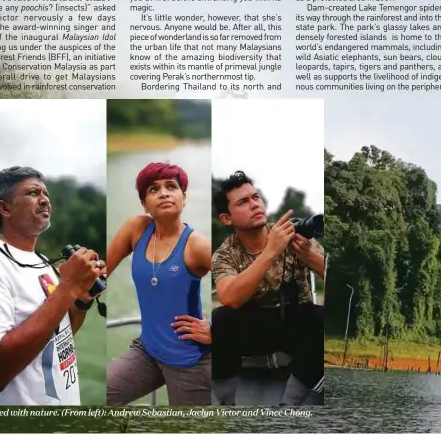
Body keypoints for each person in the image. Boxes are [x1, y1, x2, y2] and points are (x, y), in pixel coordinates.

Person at [0, 166, 105, 406]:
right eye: (33, 193)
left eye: (46, 194)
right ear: (5, 207)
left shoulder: (42, 262)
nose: (44, 200)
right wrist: (67, 286)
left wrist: (80, 300)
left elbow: (61, 333)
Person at [211, 170, 325, 407]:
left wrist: (309, 256)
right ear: (227, 218)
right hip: (252, 329)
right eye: (243, 202)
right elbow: (229, 298)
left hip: (294, 325)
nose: (254, 205)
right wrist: (271, 251)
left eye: (255, 197)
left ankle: (289, 405)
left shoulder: (293, 234)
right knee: (221, 318)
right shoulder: (224, 254)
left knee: (320, 318)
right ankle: (226, 404)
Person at [106, 161, 212, 406]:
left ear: (183, 198)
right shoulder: (137, 229)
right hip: (148, 351)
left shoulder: (197, 245)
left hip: (190, 362)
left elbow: (235, 286)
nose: (163, 193)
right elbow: (102, 272)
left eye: (171, 187)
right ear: (145, 204)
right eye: (153, 189)